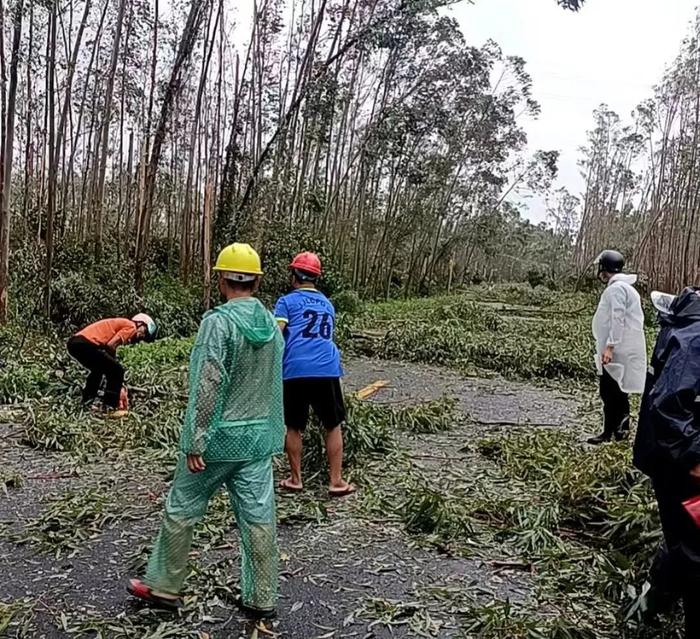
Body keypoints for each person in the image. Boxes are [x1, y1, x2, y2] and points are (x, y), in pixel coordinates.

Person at [128, 243, 285, 619]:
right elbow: (272, 385)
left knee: (182, 507)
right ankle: (262, 596)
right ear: (257, 281)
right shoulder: (272, 325)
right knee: (259, 518)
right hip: (257, 441)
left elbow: (208, 383)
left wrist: (196, 439)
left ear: (221, 279)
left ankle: (164, 587)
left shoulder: (217, 322)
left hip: (216, 441)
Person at [631, 287, 700, 637]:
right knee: (694, 551)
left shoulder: (690, 321)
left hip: (673, 459)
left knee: (683, 540)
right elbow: (670, 407)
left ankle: (644, 608)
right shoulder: (696, 335)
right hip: (683, 466)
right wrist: (695, 459)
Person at [274, 252, 355, 497]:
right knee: (332, 426)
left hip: (295, 370)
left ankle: (296, 479)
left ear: (294, 275)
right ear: (316, 277)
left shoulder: (286, 302)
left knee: (294, 426)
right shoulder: (328, 304)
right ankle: (336, 481)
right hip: (326, 369)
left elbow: (277, 334)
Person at [588, 249, 646, 445]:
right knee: (618, 392)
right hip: (622, 348)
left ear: (605, 268)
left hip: (616, 350)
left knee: (610, 392)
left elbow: (617, 318)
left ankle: (612, 433)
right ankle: (617, 433)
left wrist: (610, 346)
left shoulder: (616, 289)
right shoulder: (626, 288)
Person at [67, 314, 157, 416]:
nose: (142, 336)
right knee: (117, 371)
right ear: (140, 323)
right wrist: (115, 370)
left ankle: (86, 402)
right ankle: (110, 407)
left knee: (98, 370)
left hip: (75, 343)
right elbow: (111, 345)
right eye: (144, 332)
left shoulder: (123, 323)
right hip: (85, 344)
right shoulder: (131, 326)